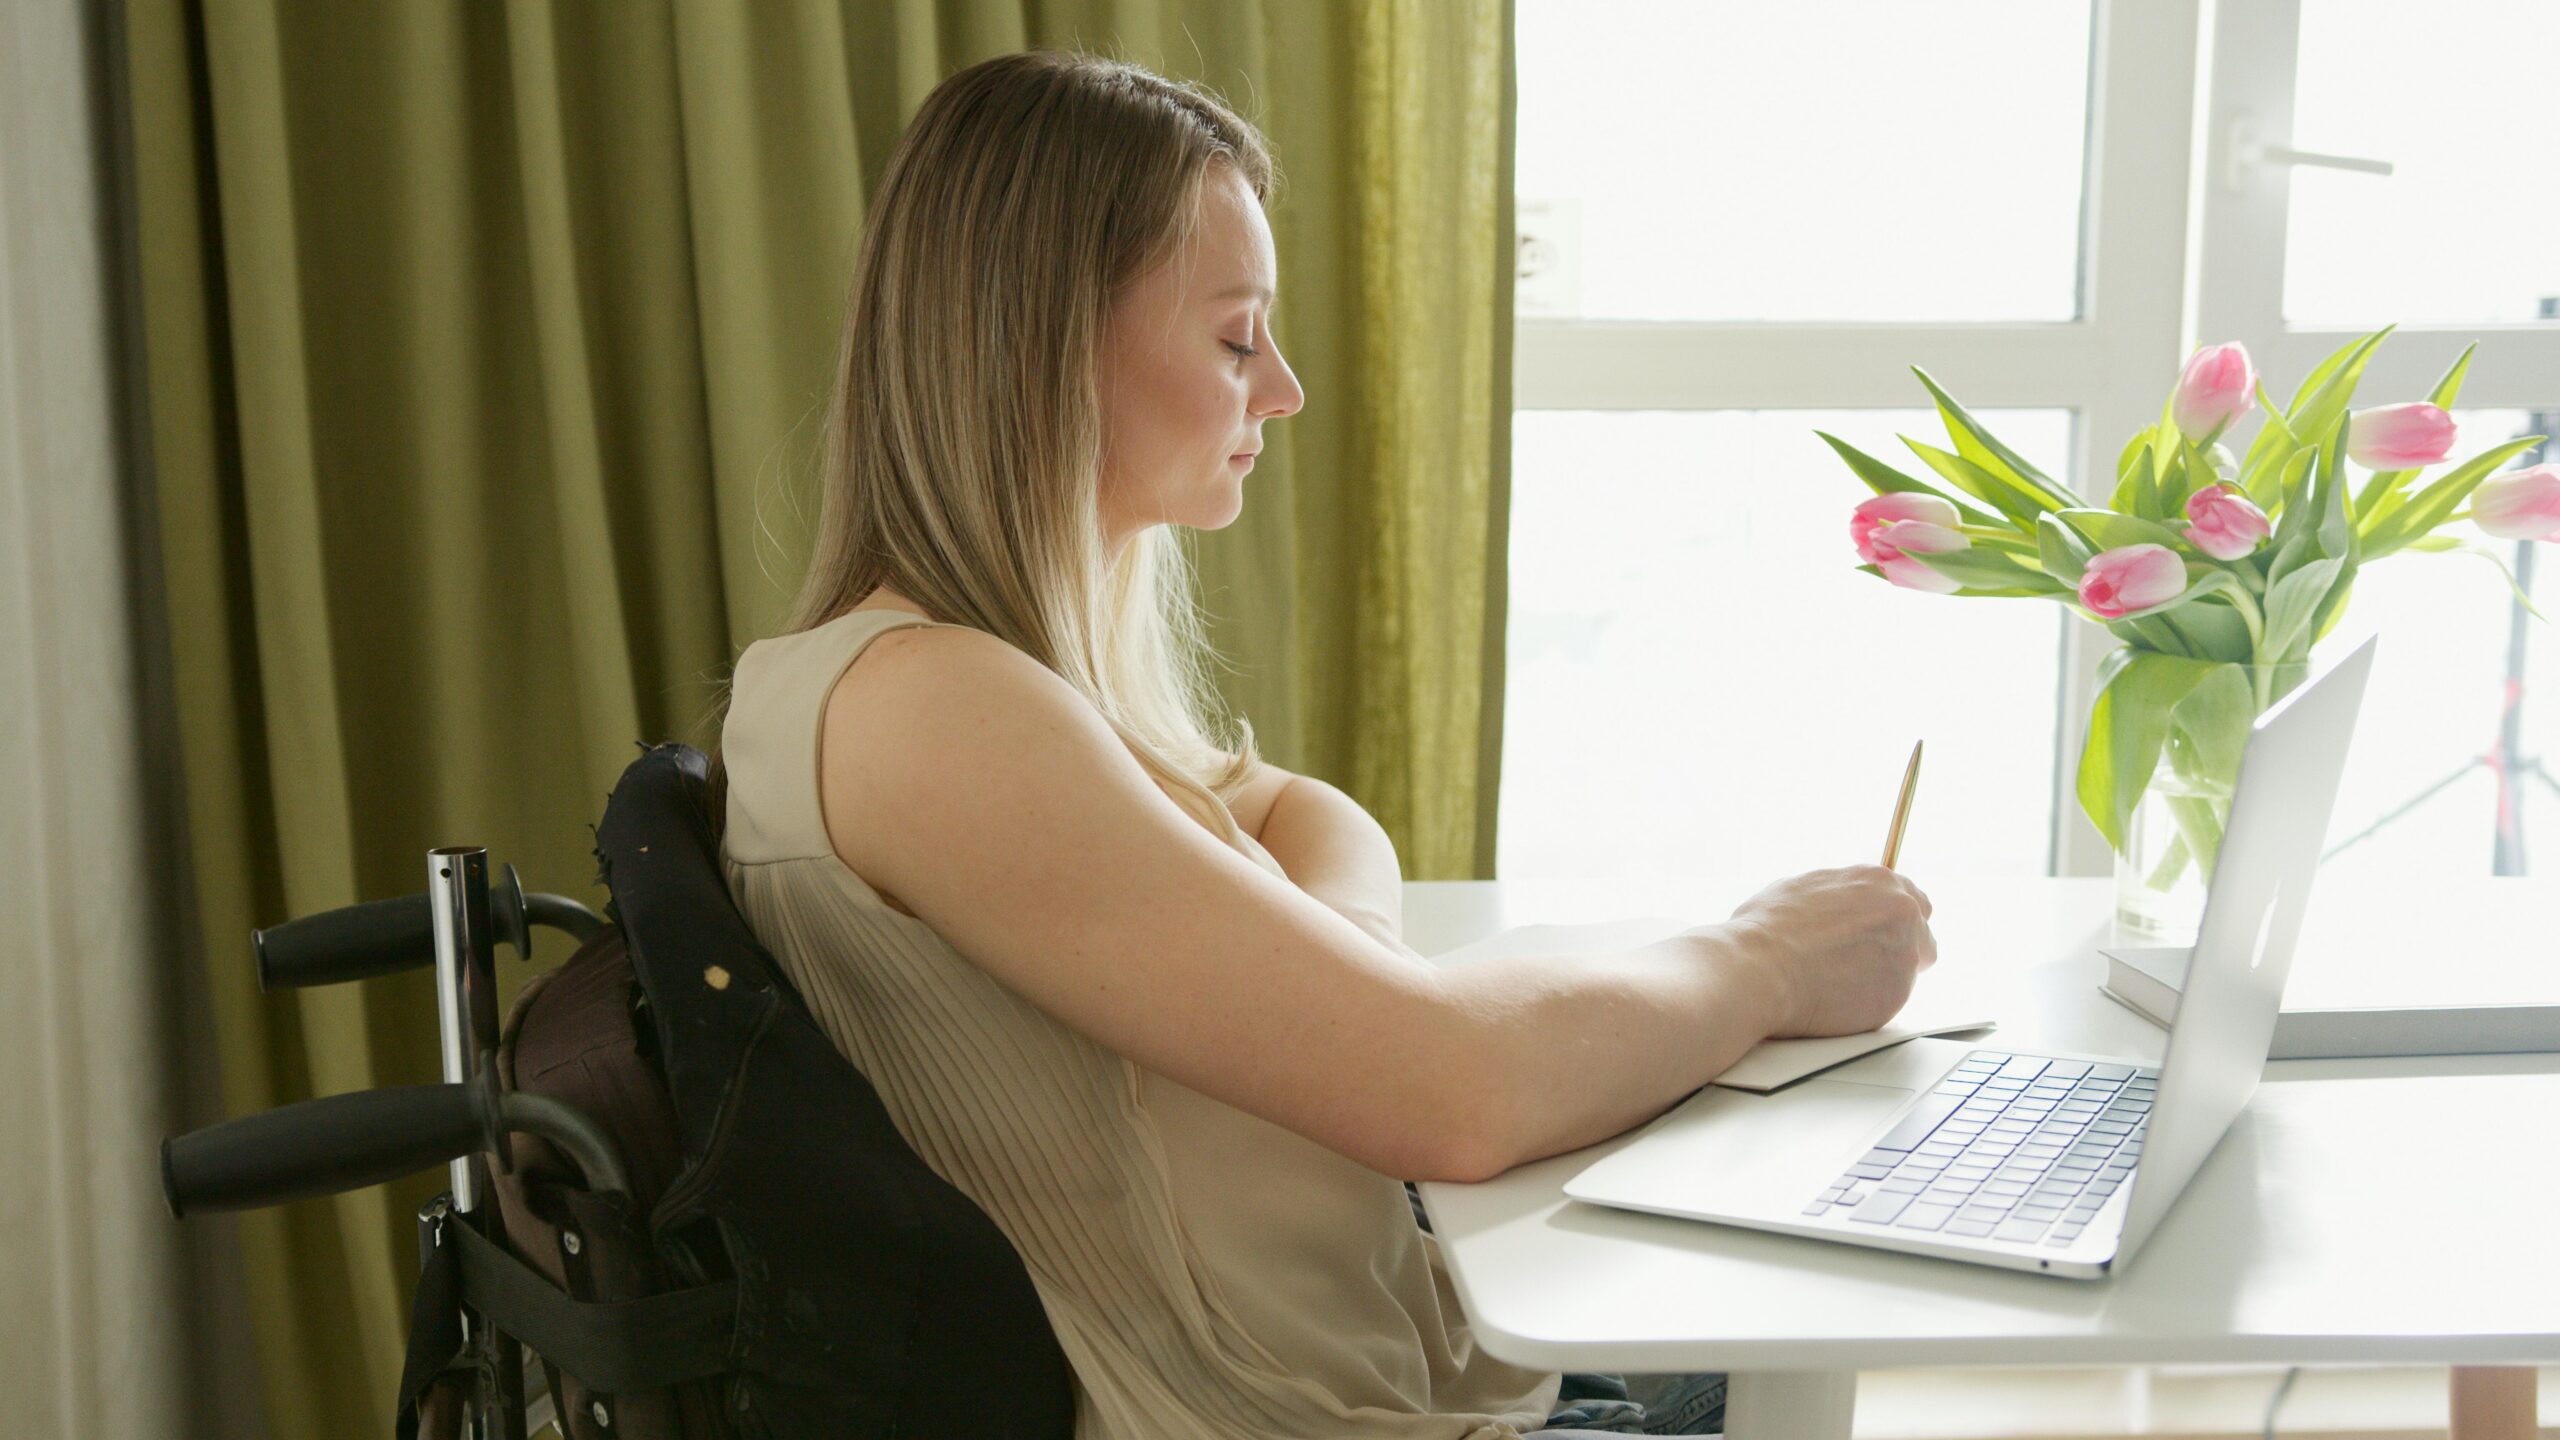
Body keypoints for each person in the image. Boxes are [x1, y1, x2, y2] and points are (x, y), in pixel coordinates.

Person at [708, 48, 1936, 1440]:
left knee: (1765, 1337)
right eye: (1237, 339)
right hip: (1307, 1421)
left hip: (1411, 1373)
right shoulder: (930, 711)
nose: (1280, 389)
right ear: (1042, 344)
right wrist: (1767, 959)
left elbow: (1300, 809)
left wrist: (1328, 967)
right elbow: (1457, 1098)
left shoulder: (979, 682)